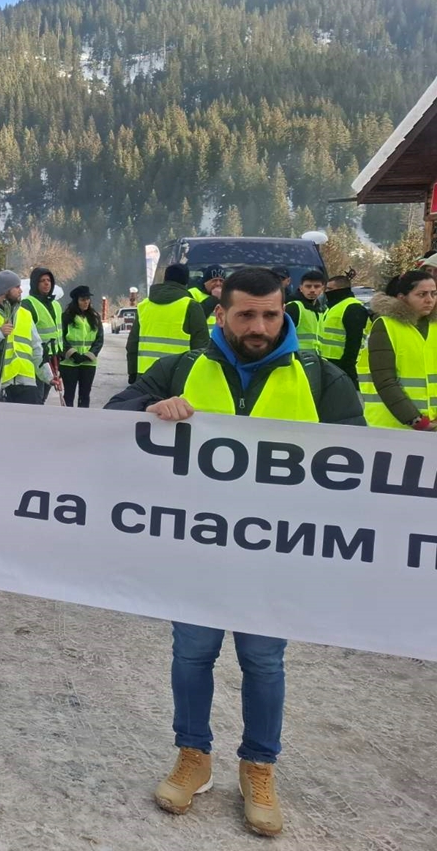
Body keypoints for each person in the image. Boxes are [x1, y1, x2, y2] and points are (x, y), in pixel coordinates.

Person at [106, 267, 364, 838]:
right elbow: (112, 416)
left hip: (275, 555)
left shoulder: (321, 378)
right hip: (197, 551)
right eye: (246, 314)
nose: (259, 326)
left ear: (284, 313)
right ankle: (193, 756)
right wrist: (152, 409)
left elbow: (361, 463)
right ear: (220, 313)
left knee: (264, 663)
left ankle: (258, 765)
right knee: (192, 655)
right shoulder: (183, 367)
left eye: (271, 314)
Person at [357, 270, 437, 430]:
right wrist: (416, 420)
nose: (430, 300)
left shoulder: (434, 327)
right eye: (422, 294)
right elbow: (384, 379)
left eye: (434, 294)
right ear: (402, 298)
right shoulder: (385, 325)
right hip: (392, 426)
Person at [0, 270, 52, 403]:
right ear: (5, 290)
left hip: (27, 385)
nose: (21, 291)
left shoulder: (25, 314)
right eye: (17, 287)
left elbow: (37, 350)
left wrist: (49, 377)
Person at [127, 263, 208, 384]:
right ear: (186, 282)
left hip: (145, 376)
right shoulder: (191, 306)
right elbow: (201, 345)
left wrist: (133, 372)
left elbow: (132, 343)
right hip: (178, 376)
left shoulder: (144, 305)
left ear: (165, 279)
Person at [319, 272, 369, 385]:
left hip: (344, 364)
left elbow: (354, 340)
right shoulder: (333, 306)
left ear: (341, 290)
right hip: (329, 362)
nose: (326, 292)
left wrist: (348, 365)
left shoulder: (353, 307)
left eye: (330, 289)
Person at [23, 268, 64, 402]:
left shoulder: (56, 305)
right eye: (42, 281)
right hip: (38, 358)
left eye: (49, 280)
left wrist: (60, 353)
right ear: (35, 283)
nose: (47, 283)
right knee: (37, 396)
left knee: (44, 396)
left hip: (54, 357)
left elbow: (59, 332)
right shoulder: (28, 304)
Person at [60, 285, 103, 407]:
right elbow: (60, 338)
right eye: (83, 299)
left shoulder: (94, 317)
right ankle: (66, 419)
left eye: (88, 299)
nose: (86, 302)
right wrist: (72, 353)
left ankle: (83, 421)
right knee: (69, 395)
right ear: (76, 301)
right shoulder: (66, 317)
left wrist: (91, 354)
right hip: (69, 363)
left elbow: (99, 339)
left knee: (85, 395)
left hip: (88, 362)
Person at [285, 269, 325, 354]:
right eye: (308, 286)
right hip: (296, 360)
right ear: (301, 288)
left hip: (315, 360)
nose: (312, 290)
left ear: (322, 289)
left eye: (317, 286)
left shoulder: (320, 309)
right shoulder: (294, 307)